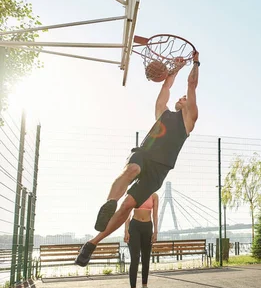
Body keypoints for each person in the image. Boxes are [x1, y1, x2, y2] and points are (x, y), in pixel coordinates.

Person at [75, 52, 200, 266]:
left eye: (184, 99)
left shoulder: (189, 120)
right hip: (145, 153)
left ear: (189, 105)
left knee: (128, 206)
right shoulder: (163, 113)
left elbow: (192, 84)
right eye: (180, 98)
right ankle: (109, 204)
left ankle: (92, 243)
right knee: (131, 169)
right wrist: (176, 68)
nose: (181, 98)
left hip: (159, 170)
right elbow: (166, 87)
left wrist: (195, 62)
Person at [124, 192, 158, 288]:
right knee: (135, 258)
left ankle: (144, 287)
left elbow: (155, 214)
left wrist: (155, 231)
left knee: (146, 258)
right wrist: (126, 231)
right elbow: (127, 213)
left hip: (148, 227)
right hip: (134, 227)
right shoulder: (135, 192)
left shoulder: (154, 196)